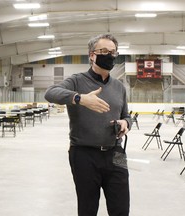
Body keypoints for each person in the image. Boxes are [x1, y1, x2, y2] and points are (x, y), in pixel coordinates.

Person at [45, 33, 132, 216]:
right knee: (88, 208)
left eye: (113, 52)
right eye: (104, 51)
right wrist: (79, 98)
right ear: (92, 55)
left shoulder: (119, 87)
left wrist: (125, 122)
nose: (109, 55)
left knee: (121, 208)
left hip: (116, 152)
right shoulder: (77, 81)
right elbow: (51, 93)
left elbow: (127, 116)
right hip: (84, 154)